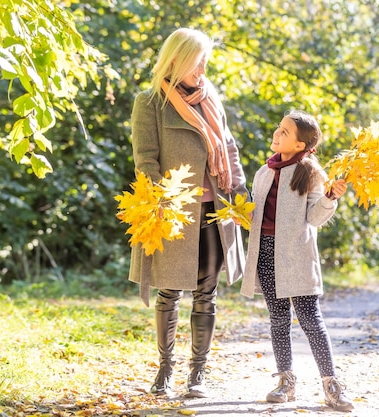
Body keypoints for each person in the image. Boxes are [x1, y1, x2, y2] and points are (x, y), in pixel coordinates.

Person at [128, 28, 247, 399]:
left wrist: (241, 195)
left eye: (206, 61)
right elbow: (145, 159)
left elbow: (229, 150)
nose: (203, 69)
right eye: (198, 61)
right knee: (169, 292)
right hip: (173, 212)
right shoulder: (149, 103)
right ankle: (165, 370)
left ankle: (198, 375)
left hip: (215, 210)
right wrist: (159, 203)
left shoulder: (211, 100)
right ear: (177, 60)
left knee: (206, 294)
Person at [240, 110, 354, 411]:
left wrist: (330, 197)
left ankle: (331, 384)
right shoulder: (263, 173)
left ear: (301, 145)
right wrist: (241, 214)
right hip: (265, 251)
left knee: (311, 321)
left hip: (297, 255)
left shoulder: (311, 172)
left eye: (285, 132)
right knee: (278, 319)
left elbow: (314, 218)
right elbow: (257, 214)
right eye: (279, 128)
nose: (278, 134)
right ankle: (285, 381)